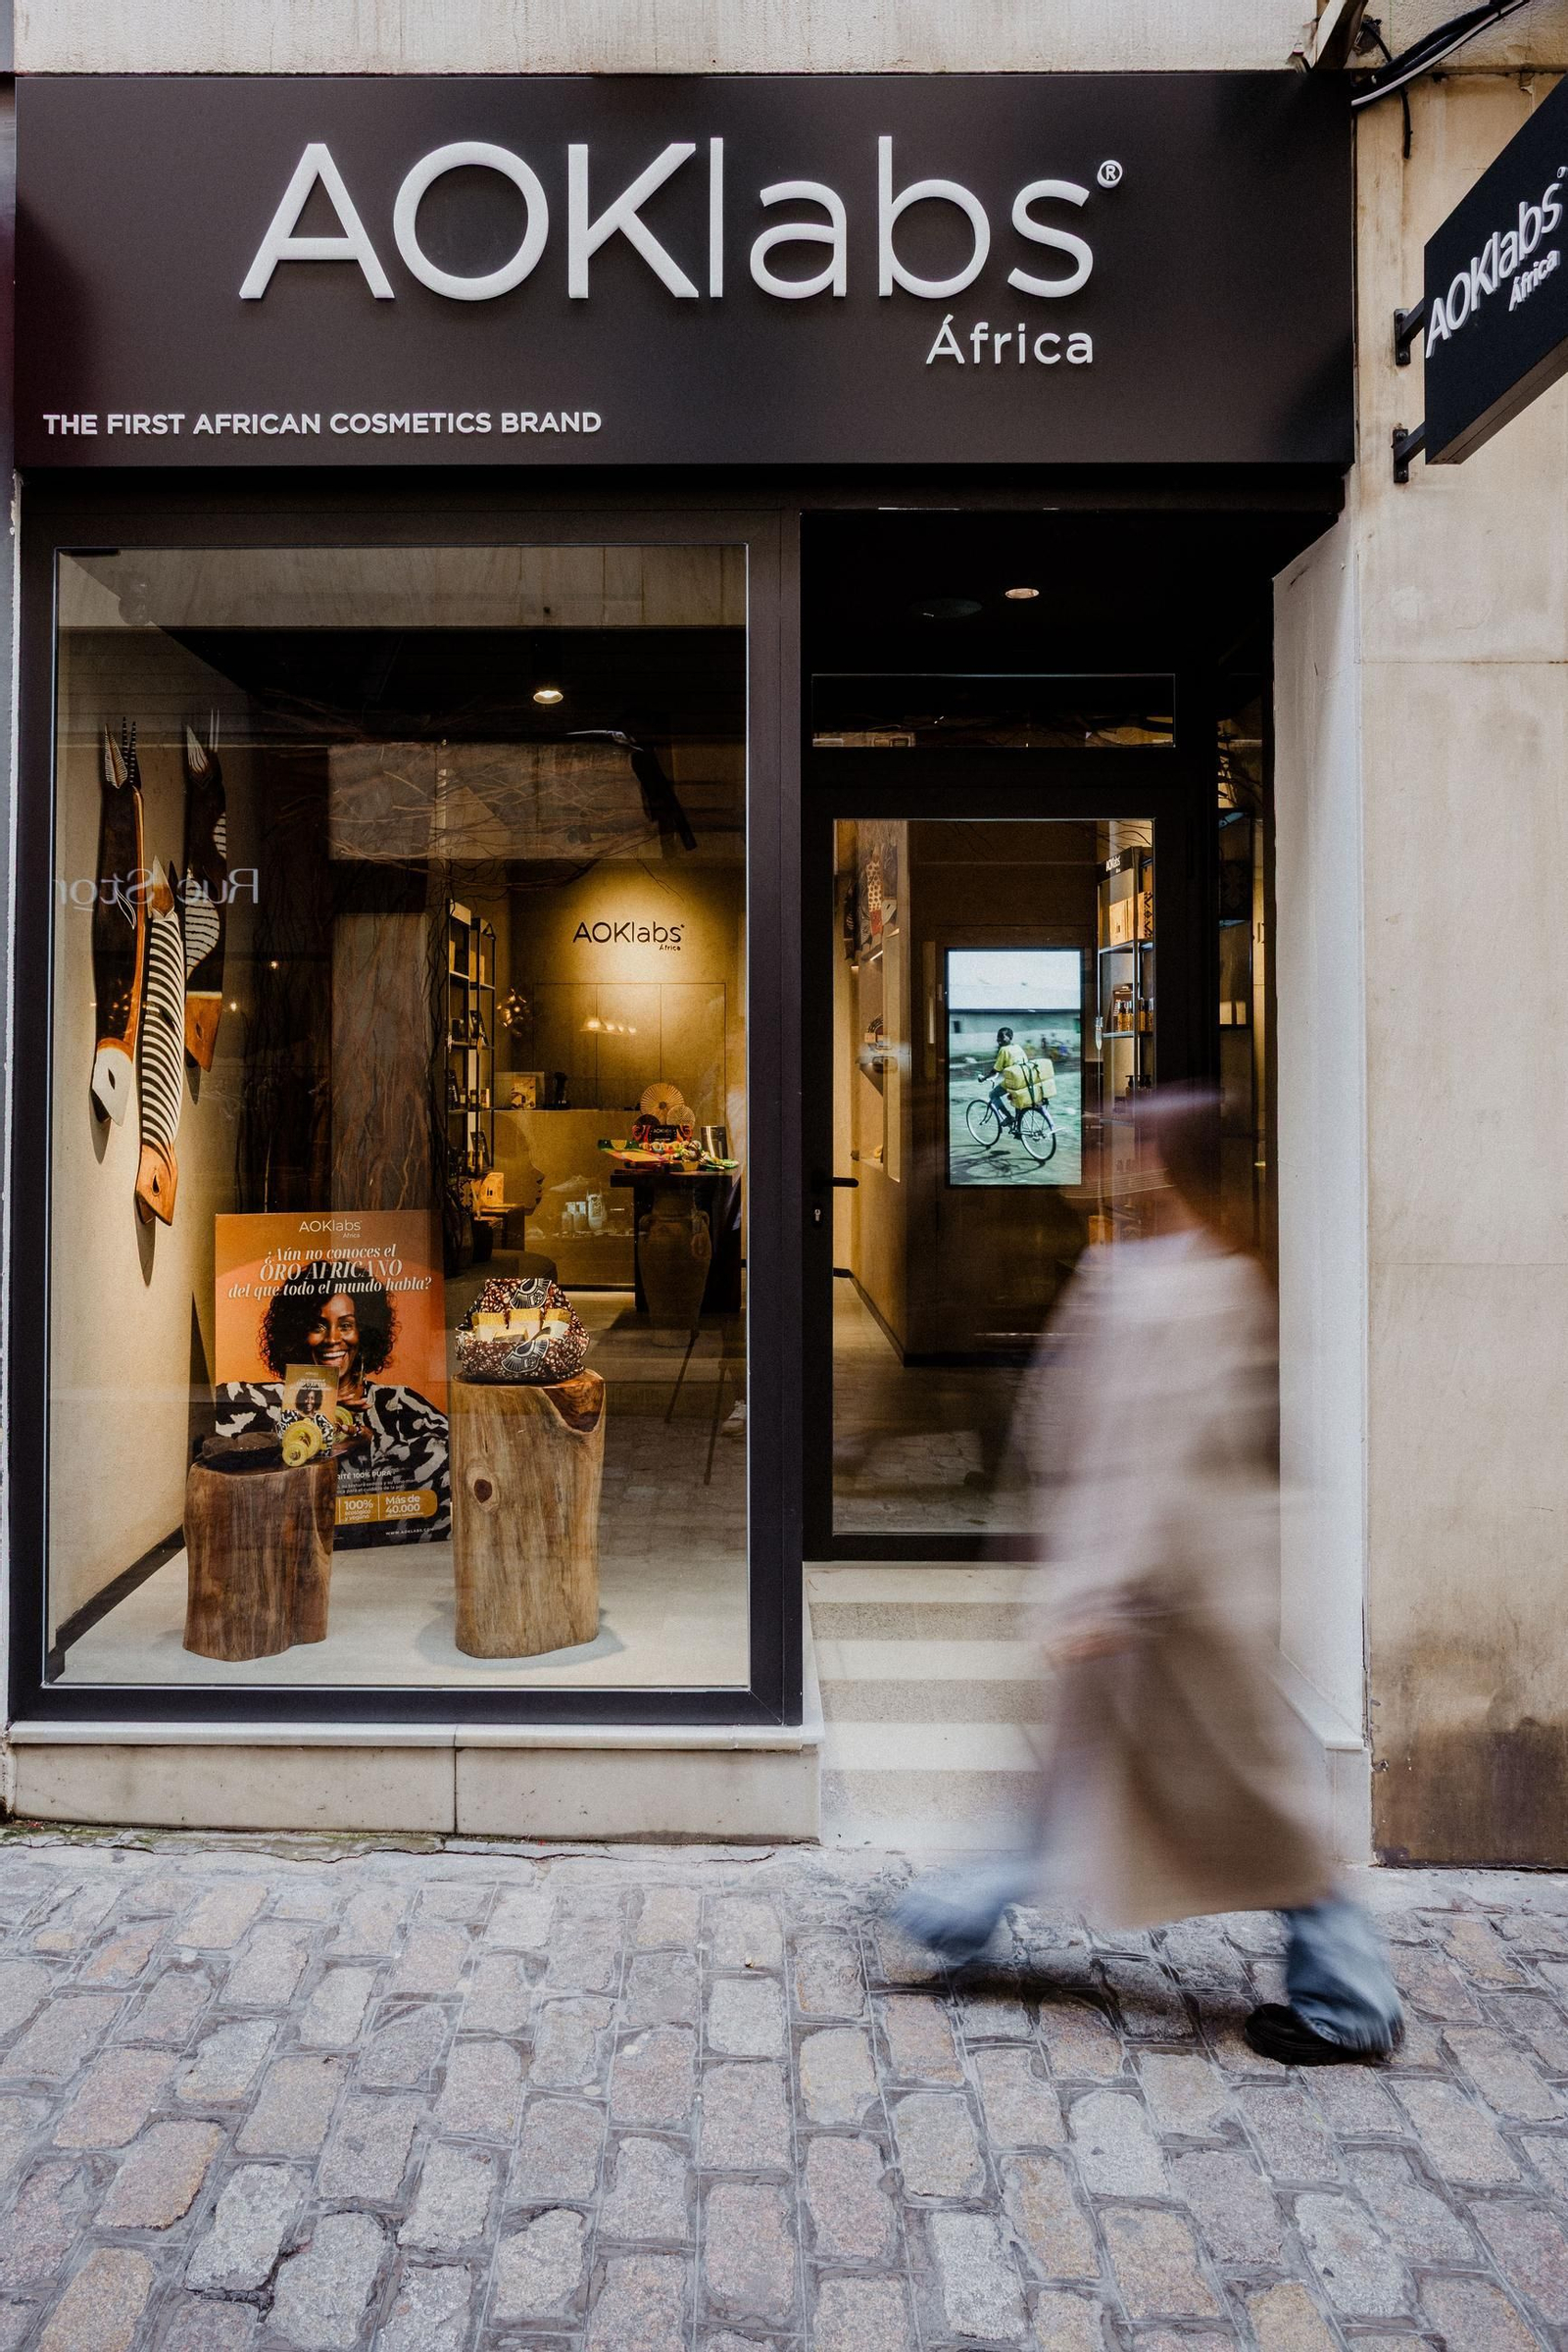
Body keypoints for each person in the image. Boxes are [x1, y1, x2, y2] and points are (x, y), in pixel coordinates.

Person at [897, 1086, 1402, 2065]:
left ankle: (1348, 1999)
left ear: (1163, 1164)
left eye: (1129, 1146)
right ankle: (952, 1910)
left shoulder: (1203, 1286)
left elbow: (1165, 1461)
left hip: (1180, 1602)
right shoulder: (1142, 1267)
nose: (1110, 1161)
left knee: (1248, 1806)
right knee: (1072, 1775)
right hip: (1143, 1593)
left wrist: (1105, 1589)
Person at [217, 1259, 450, 1547]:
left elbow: (452, 1462)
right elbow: (214, 1439)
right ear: (298, 1334)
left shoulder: (397, 1403)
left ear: (364, 1332)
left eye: (346, 1325)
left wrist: (373, 1445)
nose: (333, 1339)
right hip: (290, 1557)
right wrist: (313, 1415)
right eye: (318, 1325)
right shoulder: (264, 1399)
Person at [989, 1026, 1029, 1116]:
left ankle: (1008, 1117)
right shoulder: (1018, 1047)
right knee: (1016, 1099)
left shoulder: (1003, 1050)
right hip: (1025, 1078)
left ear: (1010, 1037)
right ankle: (1018, 1124)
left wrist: (984, 1078)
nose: (998, 1039)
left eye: (1001, 1037)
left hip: (1013, 1081)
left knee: (993, 1095)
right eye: (997, 1037)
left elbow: (995, 1070)